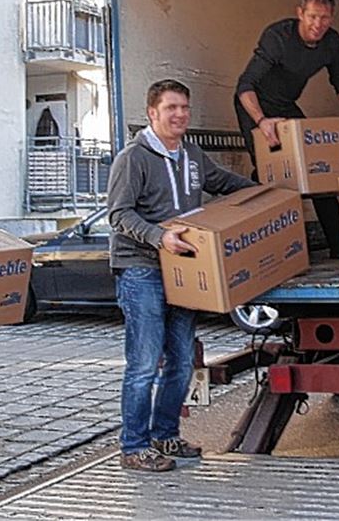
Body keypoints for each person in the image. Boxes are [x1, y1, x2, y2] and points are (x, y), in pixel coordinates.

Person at [107, 79, 256, 472]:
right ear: (152, 113)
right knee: (144, 363)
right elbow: (118, 215)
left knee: (182, 360)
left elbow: (222, 183)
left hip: (183, 270)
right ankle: (134, 446)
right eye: (171, 108)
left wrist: (269, 192)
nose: (179, 115)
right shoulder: (133, 158)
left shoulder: (191, 154)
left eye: (184, 107)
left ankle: (165, 435)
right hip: (142, 269)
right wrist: (160, 237)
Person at [234, 0, 339, 259]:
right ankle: (269, 246)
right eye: (313, 16)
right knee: (270, 173)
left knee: (317, 168)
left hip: (285, 105)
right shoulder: (278, 37)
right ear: (300, 14)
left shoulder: (332, 43)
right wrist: (261, 121)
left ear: (332, 18)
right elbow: (245, 85)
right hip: (255, 106)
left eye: (325, 18)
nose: (318, 24)